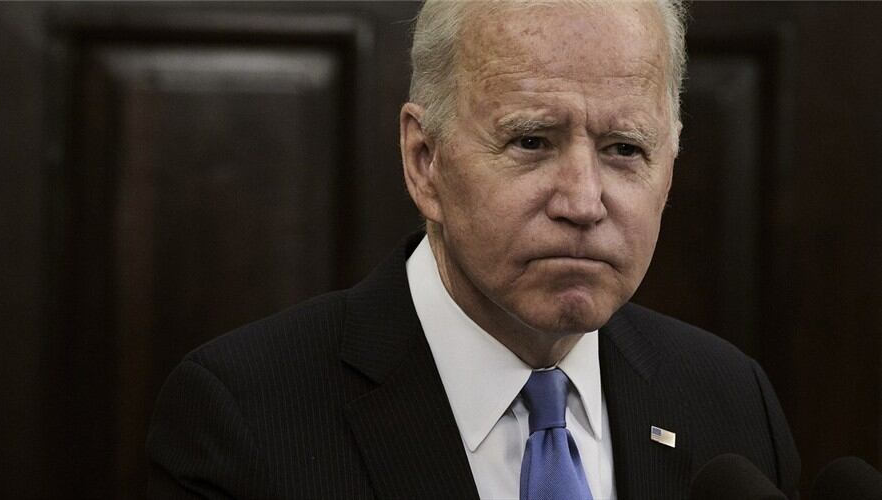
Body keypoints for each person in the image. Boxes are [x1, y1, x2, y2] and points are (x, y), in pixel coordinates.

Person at [147, 0, 800, 498]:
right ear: (423, 159)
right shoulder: (244, 416)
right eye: (531, 142)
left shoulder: (729, 398)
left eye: (624, 150)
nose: (581, 201)